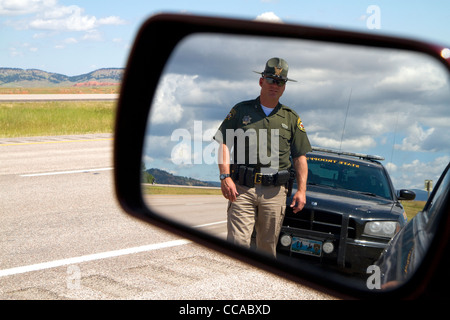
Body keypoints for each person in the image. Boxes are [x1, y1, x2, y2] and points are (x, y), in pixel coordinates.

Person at [214, 57, 312, 257]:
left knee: (266, 249)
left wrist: (301, 191)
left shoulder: (291, 118)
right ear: (261, 81)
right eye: (270, 80)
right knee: (237, 245)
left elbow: (300, 157)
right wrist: (225, 176)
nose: (275, 85)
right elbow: (223, 143)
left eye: (280, 82)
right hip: (241, 189)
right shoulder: (241, 111)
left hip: (275, 193)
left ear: (284, 87)